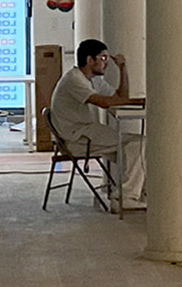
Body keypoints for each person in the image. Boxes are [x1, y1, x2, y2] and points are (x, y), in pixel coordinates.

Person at [50, 39, 146, 208]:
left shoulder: (94, 80)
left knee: (136, 149)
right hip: (77, 139)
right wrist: (141, 101)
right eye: (103, 58)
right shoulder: (74, 79)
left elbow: (119, 98)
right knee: (139, 144)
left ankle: (129, 193)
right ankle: (125, 197)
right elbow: (104, 102)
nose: (106, 63)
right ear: (90, 60)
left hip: (86, 132)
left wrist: (123, 69)